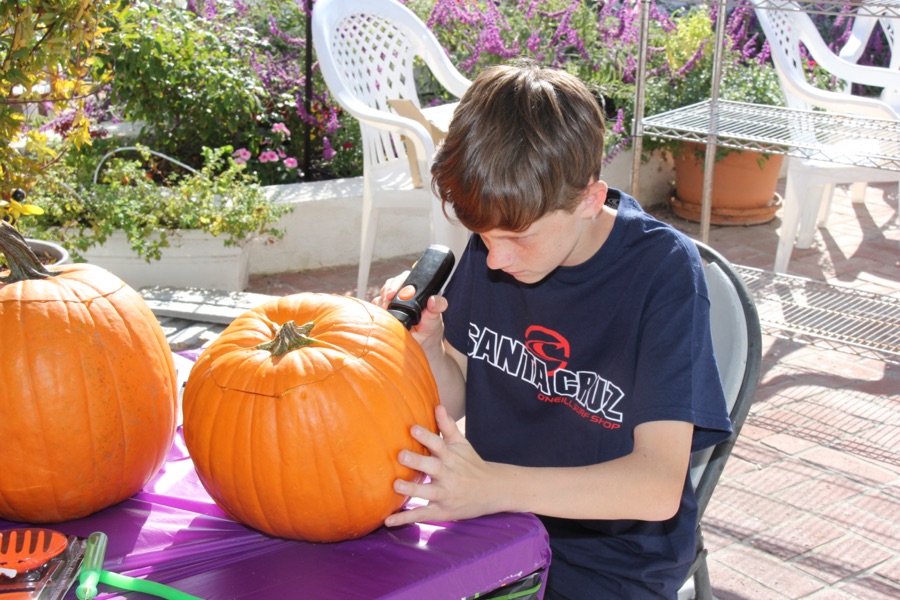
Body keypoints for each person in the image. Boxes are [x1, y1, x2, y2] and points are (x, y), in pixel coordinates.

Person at [373, 59, 732, 599]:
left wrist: (493, 487)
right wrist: (427, 347)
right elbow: (462, 394)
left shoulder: (661, 273)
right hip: (498, 529)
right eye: (482, 237)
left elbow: (656, 486)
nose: (494, 259)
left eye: (516, 238)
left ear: (589, 199)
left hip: (610, 562)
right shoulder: (505, 233)